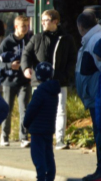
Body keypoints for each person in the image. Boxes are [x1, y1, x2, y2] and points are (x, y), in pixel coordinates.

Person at [21, 9, 76, 149]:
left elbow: (72, 60)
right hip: (39, 81)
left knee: (60, 110)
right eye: (42, 20)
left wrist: (65, 75)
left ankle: (60, 140)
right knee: (37, 109)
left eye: (46, 20)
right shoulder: (37, 37)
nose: (43, 23)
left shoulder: (66, 39)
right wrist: (26, 68)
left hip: (59, 81)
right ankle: (37, 137)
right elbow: (26, 54)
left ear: (55, 21)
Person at [0, 15, 32, 147]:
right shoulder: (7, 42)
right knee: (7, 109)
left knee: (24, 109)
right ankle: (4, 136)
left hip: (24, 81)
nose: (26, 29)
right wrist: (10, 65)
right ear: (16, 27)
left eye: (27, 26)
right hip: (9, 80)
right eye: (23, 26)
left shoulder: (28, 41)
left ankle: (24, 137)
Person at [23, 62, 60, 181]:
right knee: (48, 155)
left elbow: (31, 109)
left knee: (38, 155)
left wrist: (26, 123)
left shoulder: (39, 92)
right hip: (48, 128)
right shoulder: (54, 92)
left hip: (37, 129)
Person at [74, 11, 101, 181]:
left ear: (80, 27)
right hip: (94, 96)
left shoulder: (95, 40)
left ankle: (100, 172)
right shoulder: (94, 38)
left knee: (99, 133)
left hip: (96, 97)